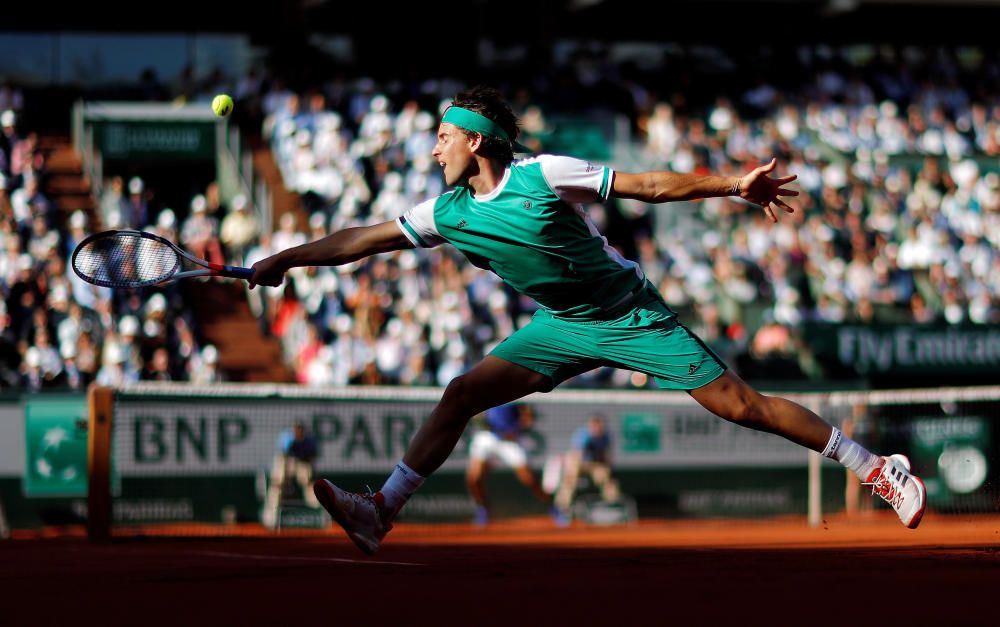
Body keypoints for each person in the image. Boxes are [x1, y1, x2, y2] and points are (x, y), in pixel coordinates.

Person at [249, 86, 926, 555]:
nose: (434, 149)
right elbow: (360, 239)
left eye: (444, 137)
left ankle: (875, 466)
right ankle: (380, 512)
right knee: (462, 393)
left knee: (741, 405)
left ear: (478, 140)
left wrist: (731, 185)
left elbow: (651, 186)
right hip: (563, 323)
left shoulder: (543, 174)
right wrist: (283, 258)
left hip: (632, 313)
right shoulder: (445, 212)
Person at [466, 402, 558, 526]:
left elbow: (528, 417)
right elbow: (478, 414)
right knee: (474, 478)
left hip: (510, 441)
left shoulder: (517, 393)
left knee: (529, 479)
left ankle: (552, 506)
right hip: (488, 438)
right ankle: (483, 509)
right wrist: (480, 419)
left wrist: (517, 428)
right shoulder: (487, 391)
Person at [554, 414, 620, 518]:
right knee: (570, 478)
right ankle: (562, 507)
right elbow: (577, 454)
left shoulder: (606, 436)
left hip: (595, 463)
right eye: (594, 426)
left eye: (599, 426)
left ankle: (612, 504)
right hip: (579, 461)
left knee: (605, 478)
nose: (597, 428)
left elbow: (606, 455)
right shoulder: (583, 435)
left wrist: (606, 468)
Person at [262, 422, 320, 529]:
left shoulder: (310, 440)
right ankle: (271, 517)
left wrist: (310, 474)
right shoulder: (286, 437)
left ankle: (317, 514)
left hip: (303, 461)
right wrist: (282, 479)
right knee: (277, 484)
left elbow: (312, 456)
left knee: (310, 484)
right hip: (286, 461)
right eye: (297, 431)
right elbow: (284, 455)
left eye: (301, 432)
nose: (299, 433)